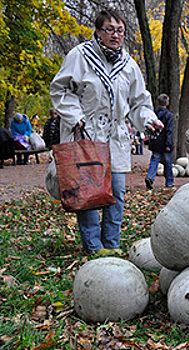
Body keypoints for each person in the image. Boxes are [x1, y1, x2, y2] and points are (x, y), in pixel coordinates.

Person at [50, 9, 163, 256]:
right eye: (109, 29)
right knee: (87, 193)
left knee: (117, 192)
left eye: (120, 30)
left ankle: (111, 245)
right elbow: (60, 90)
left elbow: (138, 102)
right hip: (85, 134)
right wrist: (76, 116)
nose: (115, 35)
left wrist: (149, 119)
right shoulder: (80, 56)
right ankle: (93, 247)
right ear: (98, 31)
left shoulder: (129, 64)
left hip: (115, 138)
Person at [145, 93, 174, 189]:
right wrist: (169, 144)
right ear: (168, 103)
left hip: (155, 141)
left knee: (154, 160)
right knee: (168, 163)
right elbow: (169, 130)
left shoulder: (153, 115)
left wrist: (150, 141)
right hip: (165, 142)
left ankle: (150, 177)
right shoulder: (169, 116)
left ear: (157, 103)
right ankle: (169, 182)